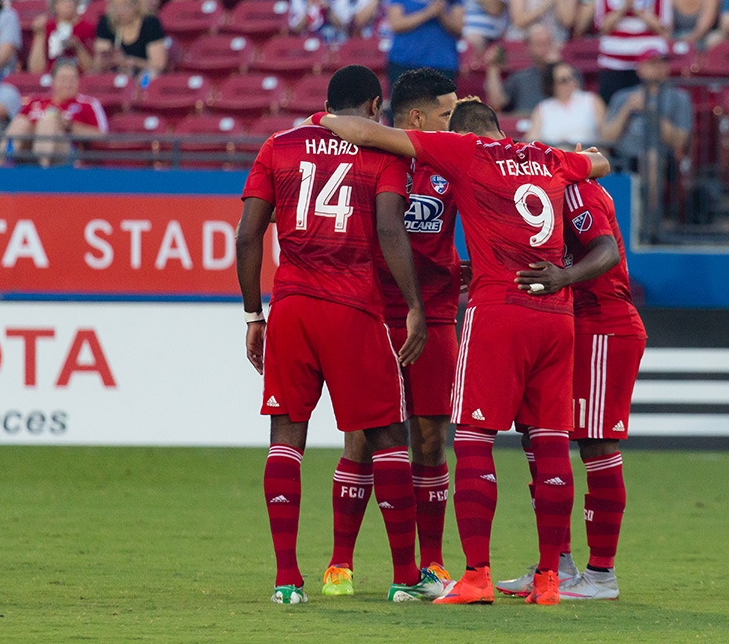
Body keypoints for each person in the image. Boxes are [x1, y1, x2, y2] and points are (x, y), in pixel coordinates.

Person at [318, 97, 610, 607]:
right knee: (549, 441)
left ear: (464, 130)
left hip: (499, 310)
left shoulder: (464, 151)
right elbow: (600, 161)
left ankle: (476, 576)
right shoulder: (546, 156)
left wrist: (321, 120)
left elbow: (367, 135)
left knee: (474, 438)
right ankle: (548, 579)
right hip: (556, 312)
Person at [235, 65, 442, 605]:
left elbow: (247, 235)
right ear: (376, 107)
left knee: (287, 436)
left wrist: (253, 317)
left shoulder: (277, 145)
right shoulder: (384, 151)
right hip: (353, 306)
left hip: (293, 306)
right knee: (386, 437)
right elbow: (389, 227)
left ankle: (286, 581)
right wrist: (415, 305)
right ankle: (403, 578)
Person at [320, 69, 462, 598]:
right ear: (418, 118)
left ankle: (433, 565)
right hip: (373, 310)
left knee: (430, 437)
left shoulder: (454, 162)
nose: (457, 123)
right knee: (364, 435)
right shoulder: (374, 159)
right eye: (447, 114)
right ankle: (341, 563)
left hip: (438, 312)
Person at [495, 176, 646, 602]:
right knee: (537, 435)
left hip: (603, 325)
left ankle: (602, 575)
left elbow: (607, 251)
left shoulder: (575, 188)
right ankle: (555, 565)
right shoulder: (538, 191)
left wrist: (564, 277)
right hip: (566, 325)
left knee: (596, 444)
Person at [602, 49, 690, 213]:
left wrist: (651, 111)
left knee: (651, 159)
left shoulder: (679, 97)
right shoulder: (623, 96)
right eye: (652, 63)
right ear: (639, 69)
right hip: (623, 156)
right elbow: (607, 137)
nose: (659, 67)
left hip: (662, 156)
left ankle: (649, 224)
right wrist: (627, 109)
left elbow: (679, 140)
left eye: (663, 63)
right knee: (597, 159)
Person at [593, 0, 671, 103]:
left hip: (648, 64)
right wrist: (623, 8)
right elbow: (603, 26)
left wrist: (636, 10)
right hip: (615, 63)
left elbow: (662, 27)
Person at [0, 59, 107, 167]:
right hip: (28, 148)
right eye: (63, 79)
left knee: (48, 122)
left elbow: (102, 136)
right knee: (21, 122)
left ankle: (43, 172)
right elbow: (16, 126)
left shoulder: (87, 104)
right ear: (53, 81)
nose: (68, 83)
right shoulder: (36, 101)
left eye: (73, 79)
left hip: (67, 153)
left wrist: (69, 126)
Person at [94, 0, 167, 77]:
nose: (120, 11)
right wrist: (108, 59)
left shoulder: (150, 23)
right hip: (115, 74)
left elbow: (158, 65)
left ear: (136, 4)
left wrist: (131, 62)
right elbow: (99, 61)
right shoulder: (107, 22)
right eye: (116, 6)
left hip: (141, 73)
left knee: (151, 75)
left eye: (125, 5)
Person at [527, 61, 606, 146]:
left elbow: (606, 137)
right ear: (552, 84)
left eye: (572, 77)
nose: (571, 82)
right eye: (564, 80)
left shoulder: (592, 100)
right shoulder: (543, 108)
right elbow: (531, 140)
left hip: (586, 156)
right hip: (555, 156)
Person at [484, 23, 558, 113]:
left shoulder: (568, 75)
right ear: (528, 47)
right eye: (539, 44)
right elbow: (497, 102)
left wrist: (556, 67)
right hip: (526, 123)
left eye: (547, 43)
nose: (544, 48)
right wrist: (493, 67)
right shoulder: (519, 78)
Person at [28, 0, 96, 74]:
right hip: (51, 75)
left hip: (80, 75)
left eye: (72, 0)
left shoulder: (88, 27)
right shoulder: (46, 28)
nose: (68, 4)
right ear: (54, 5)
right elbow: (35, 70)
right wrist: (39, 36)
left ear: (77, 4)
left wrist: (78, 47)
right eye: (63, 0)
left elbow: (93, 69)